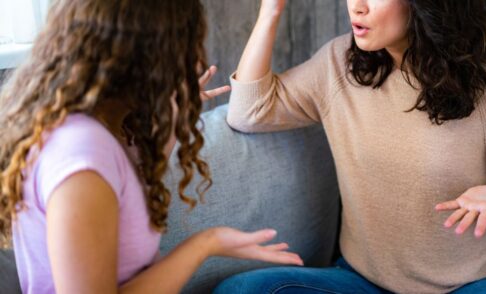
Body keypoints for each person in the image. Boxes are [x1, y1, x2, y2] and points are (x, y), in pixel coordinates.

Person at [214, 0, 486, 293]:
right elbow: (248, 112)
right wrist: (271, 11)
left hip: (465, 285)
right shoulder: (339, 63)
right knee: (241, 290)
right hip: (360, 281)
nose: (356, 7)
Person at [0, 0, 303, 293]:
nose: (195, 62)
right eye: (183, 46)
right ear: (147, 55)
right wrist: (205, 244)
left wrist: (172, 118)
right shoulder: (81, 154)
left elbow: (125, 208)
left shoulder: (88, 134)